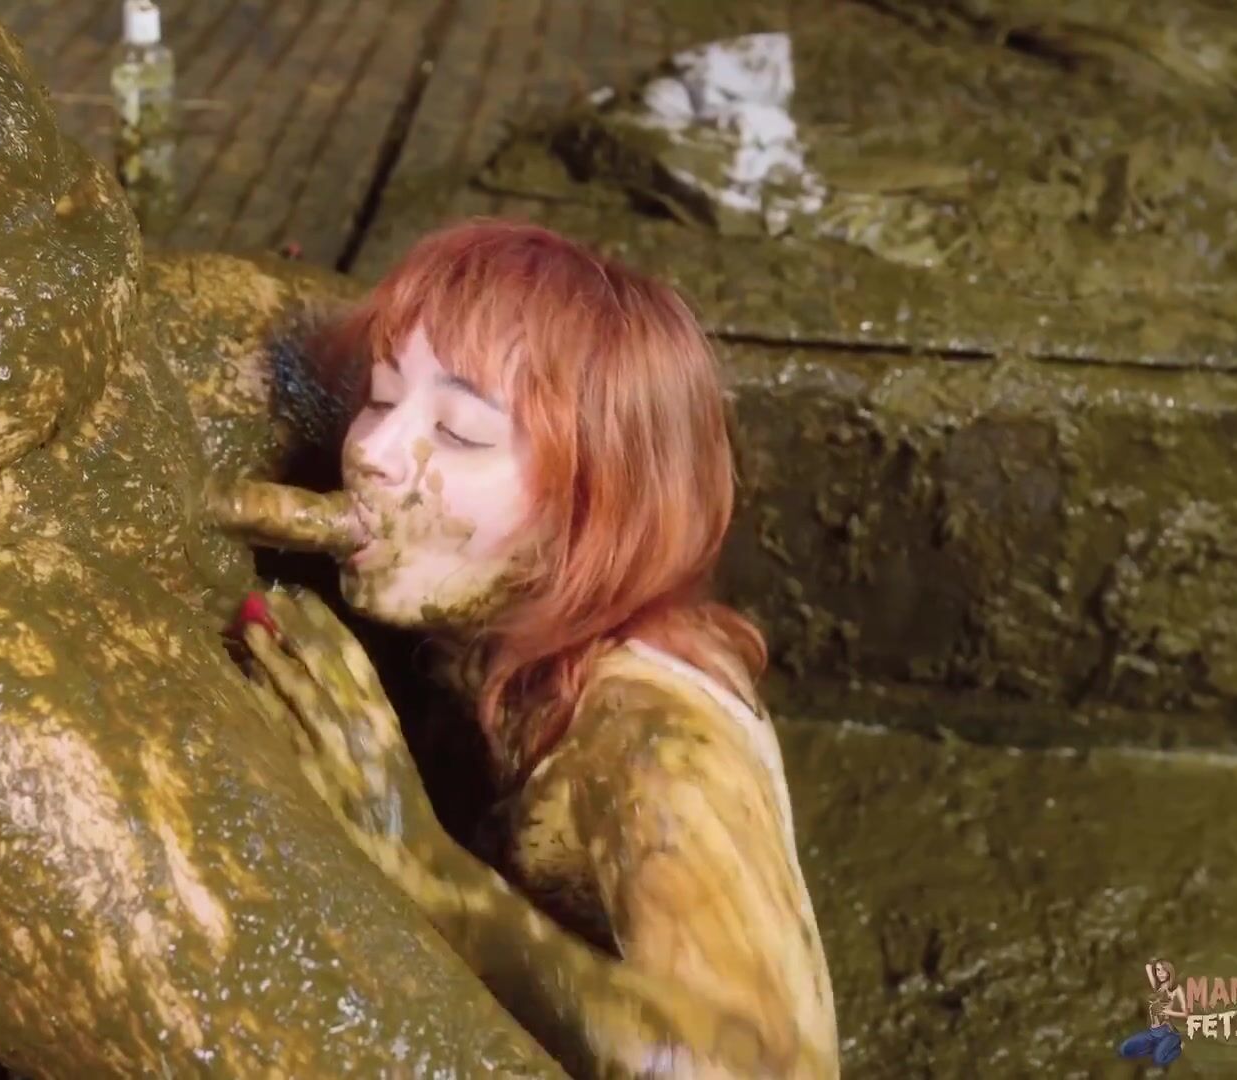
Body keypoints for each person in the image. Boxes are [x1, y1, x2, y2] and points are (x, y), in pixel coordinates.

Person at [224, 219, 840, 1077]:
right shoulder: (509, 641)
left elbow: (761, 1070)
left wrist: (422, 862)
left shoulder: (650, 747)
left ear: (591, 511)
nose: (372, 452)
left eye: (461, 434)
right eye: (382, 397)